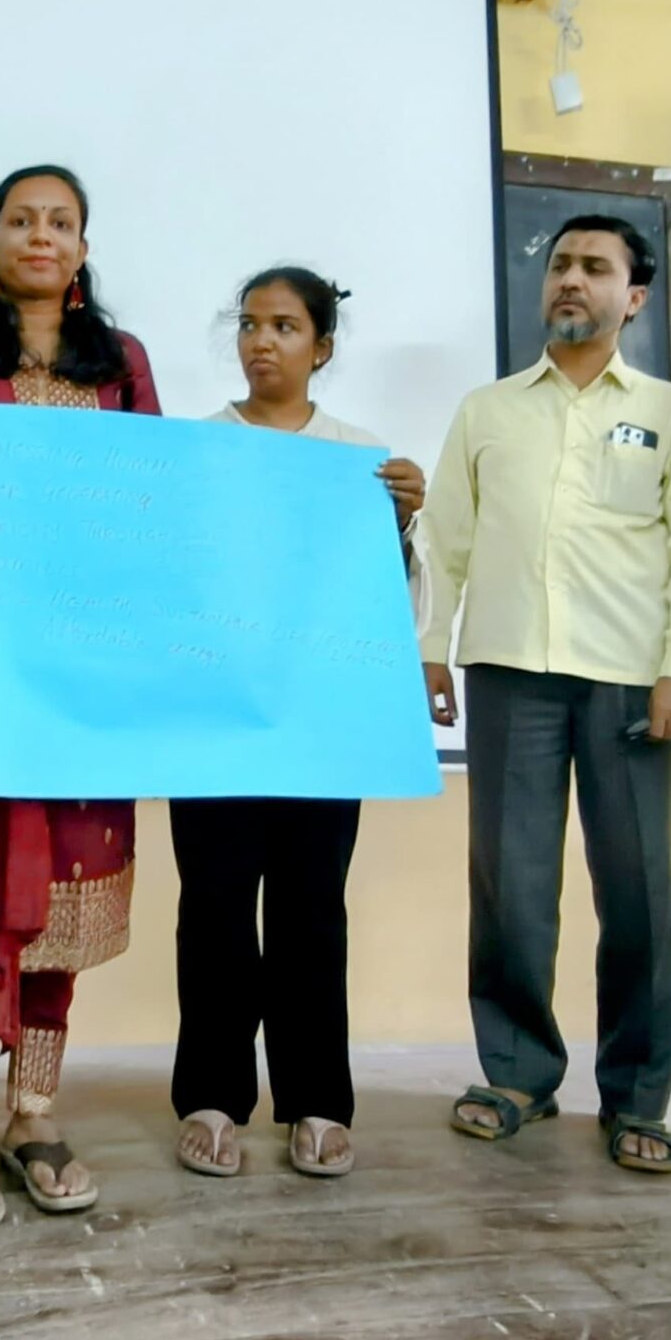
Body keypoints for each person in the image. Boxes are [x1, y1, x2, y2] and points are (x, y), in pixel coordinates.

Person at [419, 215, 671, 1176]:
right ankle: (518, 1074)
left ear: (633, 298)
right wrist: (431, 649)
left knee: (637, 892)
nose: (570, 280)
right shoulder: (489, 411)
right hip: (509, 669)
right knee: (510, 886)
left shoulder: (669, 413)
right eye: (560, 264)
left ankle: (638, 1095)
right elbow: (445, 539)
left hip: (631, 679)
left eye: (595, 268)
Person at [0, 165, 159, 1224]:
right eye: (20, 220)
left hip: (84, 676)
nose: (40, 235)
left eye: (60, 222)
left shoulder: (122, 365)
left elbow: (154, 502)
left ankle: (35, 1113)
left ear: (83, 249)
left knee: (66, 893)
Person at [172, 268, 424, 1182]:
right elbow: (172, 577)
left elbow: (386, 605)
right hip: (216, 717)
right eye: (249, 324)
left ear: (322, 347)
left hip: (322, 724)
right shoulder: (195, 450)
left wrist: (400, 526)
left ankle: (318, 1099)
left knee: (312, 909)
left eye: (284, 325)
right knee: (215, 908)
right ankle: (211, 1098)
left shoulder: (359, 460)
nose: (261, 341)